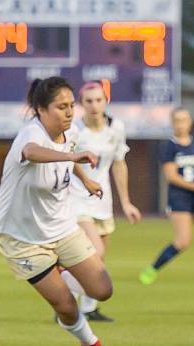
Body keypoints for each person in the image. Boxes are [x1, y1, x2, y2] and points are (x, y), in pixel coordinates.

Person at [0, 76, 112, 346]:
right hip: (23, 238)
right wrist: (73, 155)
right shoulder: (30, 136)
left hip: (61, 229)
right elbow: (32, 153)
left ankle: (57, 272)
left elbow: (70, 156)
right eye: (61, 107)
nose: (69, 112)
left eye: (72, 105)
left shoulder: (68, 133)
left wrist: (85, 181)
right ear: (41, 110)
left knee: (102, 290)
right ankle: (91, 344)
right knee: (67, 307)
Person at [59, 80, 142, 323]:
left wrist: (126, 203)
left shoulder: (116, 128)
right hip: (76, 200)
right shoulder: (75, 130)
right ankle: (62, 295)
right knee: (96, 252)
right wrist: (84, 181)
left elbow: (119, 163)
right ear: (81, 105)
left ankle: (87, 309)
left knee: (99, 259)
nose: (94, 105)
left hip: (102, 201)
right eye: (89, 101)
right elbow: (66, 160)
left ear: (106, 101)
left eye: (98, 100)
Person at [138, 107, 194, 287]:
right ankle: (152, 270)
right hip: (180, 197)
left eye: (184, 120)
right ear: (172, 123)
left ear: (190, 122)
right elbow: (171, 176)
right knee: (182, 242)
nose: (180, 124)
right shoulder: (168, 146)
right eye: (177, 120)